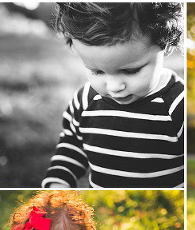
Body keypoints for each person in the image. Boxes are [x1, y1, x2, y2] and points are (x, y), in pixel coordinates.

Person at [42, 3, 184, 188]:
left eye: (130, 71)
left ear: (164, 42)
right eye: (97, 71)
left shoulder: (178, 104)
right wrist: (58, 183)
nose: (114, 87)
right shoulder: (85, 101)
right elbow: (72, 147)